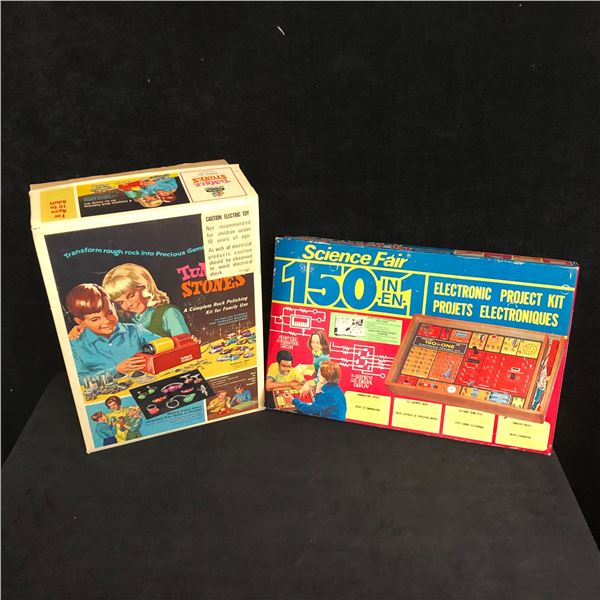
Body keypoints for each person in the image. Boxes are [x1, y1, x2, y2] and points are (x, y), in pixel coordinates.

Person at [66, 284, 160, 380]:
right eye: (95, 319)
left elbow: (165, 345)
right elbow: (78, 379)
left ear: (114, 307)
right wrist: (115, 370)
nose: (107, 321)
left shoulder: (135, 331)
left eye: (110, 313)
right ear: (80, 322)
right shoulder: (75, 346)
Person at [102, 263, 190, 337]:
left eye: (131, 296)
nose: (128, 304)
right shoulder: (125, 323)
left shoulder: (168, 313)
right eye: (121, 302)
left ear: (145, 287)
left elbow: (186, 345)